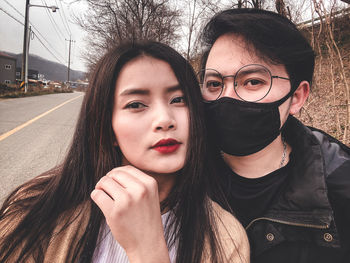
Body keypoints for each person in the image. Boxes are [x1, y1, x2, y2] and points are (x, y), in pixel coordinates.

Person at [0, 41, 249, 263]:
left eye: (178, 100)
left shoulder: (226, 237)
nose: (165, 120)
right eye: (136, 104)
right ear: (107, 128)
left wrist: (148, 251)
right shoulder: (36, 210)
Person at [198, 8, 350, 263]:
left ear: (297, 97)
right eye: (214, 84)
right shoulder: (178, 178)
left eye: (253, 81)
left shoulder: (340, 188)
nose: (226, 97)